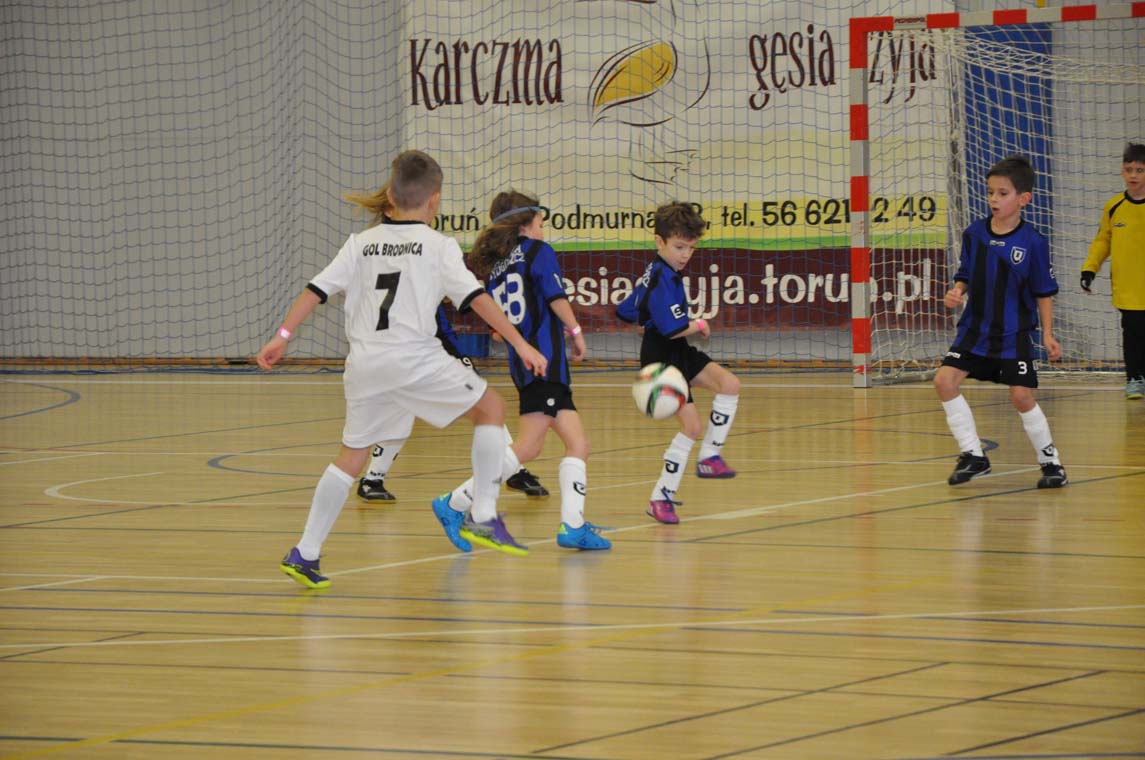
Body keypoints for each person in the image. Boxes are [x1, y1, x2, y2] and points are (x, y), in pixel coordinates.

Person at [257, 150, 548, 588]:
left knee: (351, 458)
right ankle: (482, 514)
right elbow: (477, 300)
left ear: (391, 196)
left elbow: (316, 290)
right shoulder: (438, 246)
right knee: (491, 409)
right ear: (435, 200)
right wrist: (520, 342)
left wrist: (282, 336)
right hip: (413, 360)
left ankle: (305, 552)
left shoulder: (360, 243)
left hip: (365, 365)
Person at [431, 191, 611, 551]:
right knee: (528, 446)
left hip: (526, 363)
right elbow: (556, 296)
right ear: (526, 224)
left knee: (578, 444)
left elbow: (500, 327)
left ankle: (573, 526)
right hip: (543, 361)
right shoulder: (537, 252)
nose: (543, 230)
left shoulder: (499, 267)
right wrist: (576, 330)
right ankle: (455, 502)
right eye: (541, 223)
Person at [934, 155, 1067, 489]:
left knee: (1021, 396)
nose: (994, 199)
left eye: (1003, 193)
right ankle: (974, 456)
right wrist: (957, 291)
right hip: (975, 330)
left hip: (1013, 333)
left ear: (1024, 198)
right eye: (990, 192)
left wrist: (1048, 334)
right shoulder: (974, 234)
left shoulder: (1033, 242)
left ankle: (1051, 463)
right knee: (944, 381)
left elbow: (1044, 292)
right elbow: (966, 273)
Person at [615, 202, 742, 524]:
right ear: (660, 241)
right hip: (660, 358)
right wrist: (699, 324)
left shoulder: (660, 272)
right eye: (679, 247)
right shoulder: (662, 276)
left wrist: (646, 316)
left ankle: (709, 458)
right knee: (692, 427)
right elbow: (673, 328)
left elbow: (625, 309)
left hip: (677, 350)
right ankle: (661, 497)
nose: (685, 255)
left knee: (730, 384)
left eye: (691, 248)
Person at [357, 301, 550, 501]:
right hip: (415, 352)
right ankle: (373, 479)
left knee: (482, 404)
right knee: (404, 413)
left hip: (420, 351)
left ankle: (515, 471)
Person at [1081, 142, 1145, 400]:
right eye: (1129, 169)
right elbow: (1102, 242)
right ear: (1122, 171)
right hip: (1128, 289)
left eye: (1139, 170)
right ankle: (1134, 379)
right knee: (1133, 335)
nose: (1133, 175)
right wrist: (1089, 269)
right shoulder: (1114, 206)